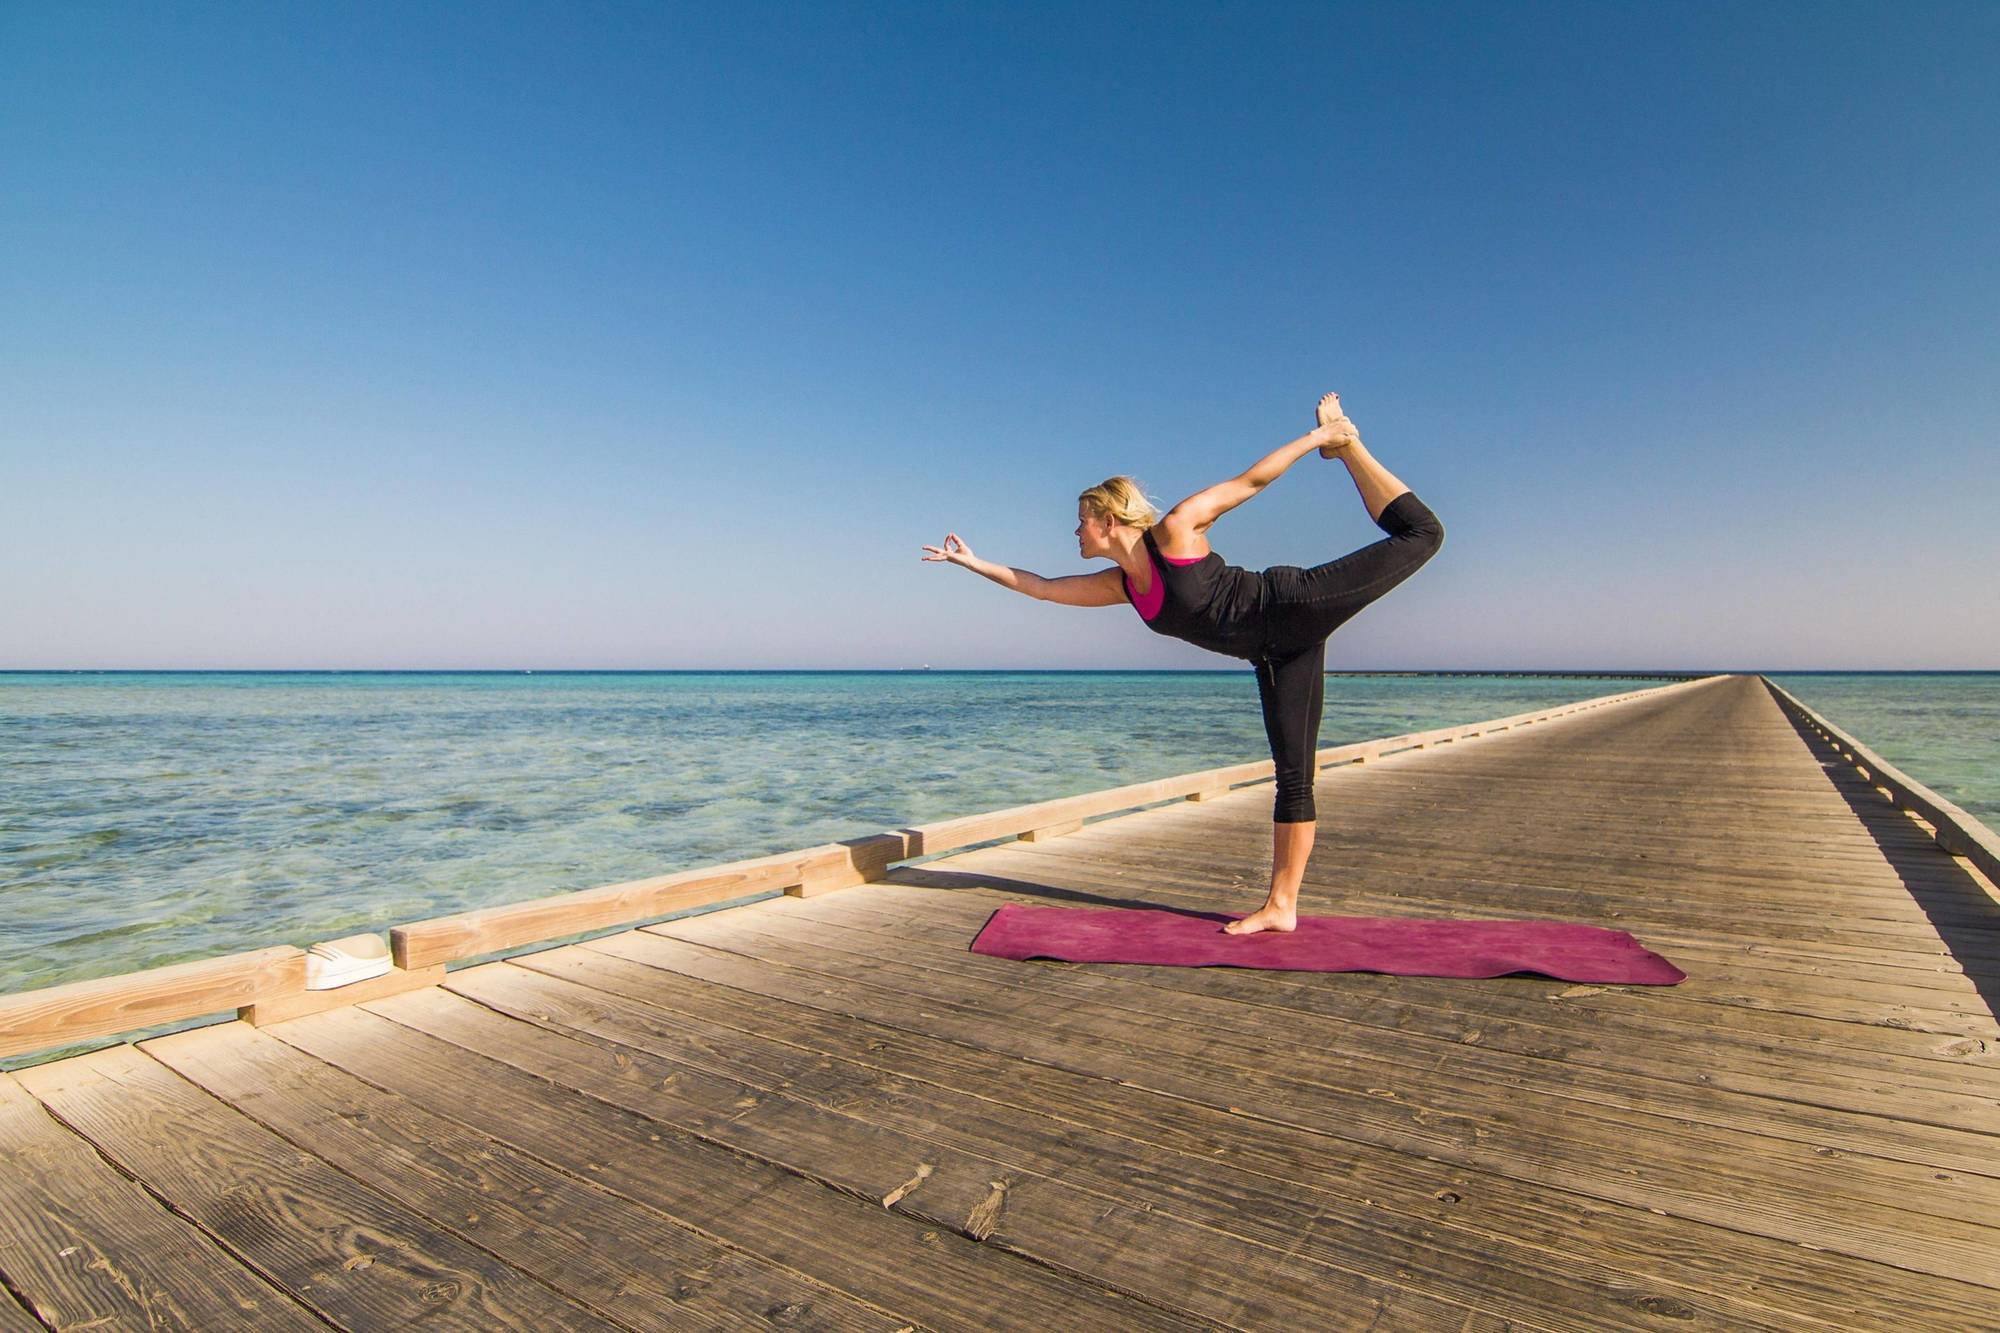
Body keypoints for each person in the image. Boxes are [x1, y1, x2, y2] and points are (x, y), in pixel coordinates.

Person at [921, 393, 1444, 935]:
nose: (1074, 532)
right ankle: (1281, 907)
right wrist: (971, 562)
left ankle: (1351, 448)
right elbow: (1044, 589)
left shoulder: (1175, 531)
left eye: (1080, 521)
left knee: (1424, 535)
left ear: (1106, 518)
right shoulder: (1122, 585)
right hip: (1276, 654)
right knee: (1293, 778)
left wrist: (1322, 439)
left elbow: (1250, 482)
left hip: (1291, 602)